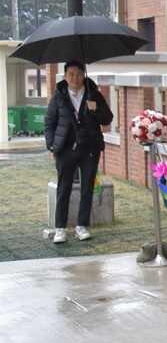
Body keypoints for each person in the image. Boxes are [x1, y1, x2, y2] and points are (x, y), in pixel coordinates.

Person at [44, 60, 114, 243]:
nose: (75, 78)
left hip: (89, 149)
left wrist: (96, 109)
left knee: (87, 187)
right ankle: (60, 228)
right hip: (65, 149)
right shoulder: (58, 96)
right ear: (65, 77)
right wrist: (51, 146)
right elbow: (49, 123)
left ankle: (82, 226)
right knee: (64, 187)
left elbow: (107, 119)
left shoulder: (94, 95)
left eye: (78, 74)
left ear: (84, 74)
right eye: (71, 74)